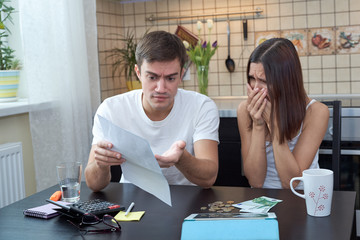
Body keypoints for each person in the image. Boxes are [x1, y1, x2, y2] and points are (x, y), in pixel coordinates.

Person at [85, 31, 219, 192]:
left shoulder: (201, 106)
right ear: (138, 73)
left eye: (170, 78)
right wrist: (101, 164)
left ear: (181, 74)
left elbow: (209, 178)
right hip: (132, 200)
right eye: (152, 77)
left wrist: (181, 158)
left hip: (187, 198)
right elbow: (93, 184)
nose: (161, 88)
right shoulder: (111, 109)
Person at [237, 38, 329, 189]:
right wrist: (259, 125)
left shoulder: (316, 112)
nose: (255, 88)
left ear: (286, 81)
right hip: (261, 202)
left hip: (300, 198)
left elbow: (291, 182)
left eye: (264, 81)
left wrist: (274, 126)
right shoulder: (244, 111)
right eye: (252, 79)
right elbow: (255, 182)